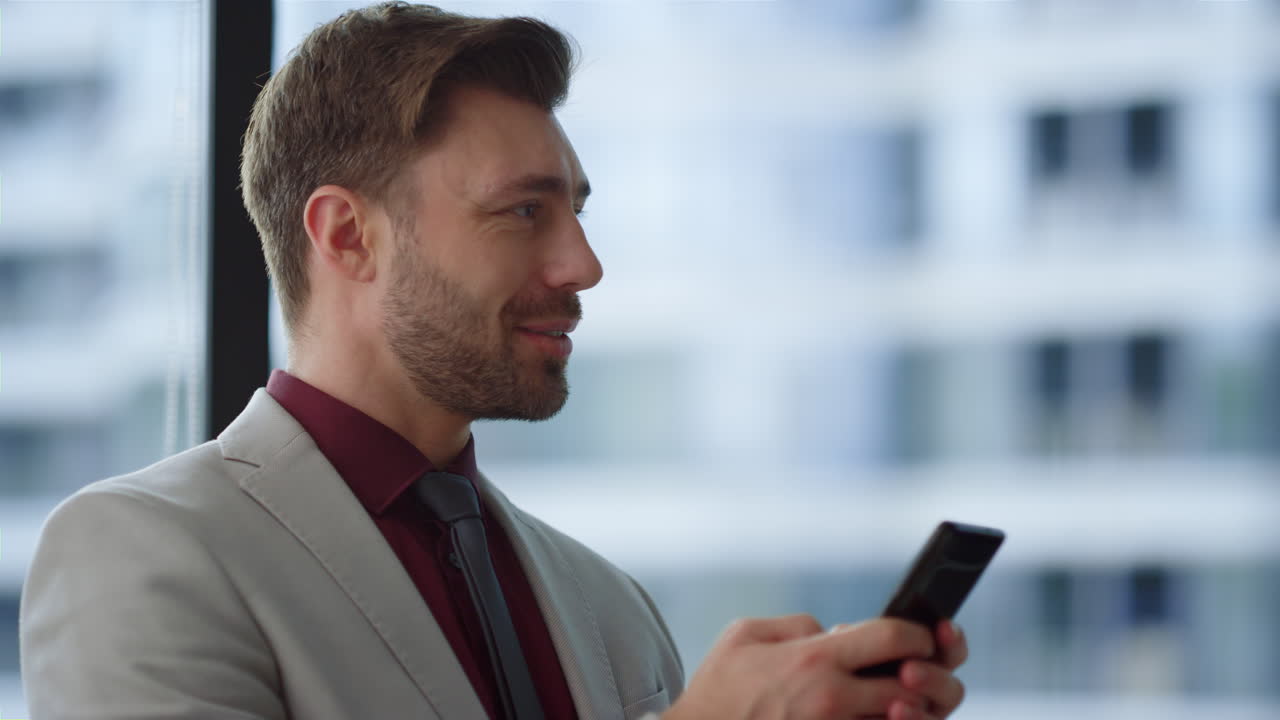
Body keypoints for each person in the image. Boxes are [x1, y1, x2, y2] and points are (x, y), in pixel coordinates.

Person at [18, 3, 969, 719]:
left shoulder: (610, 609)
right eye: (523, 211)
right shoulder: (141, 556)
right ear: (347, 235)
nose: (583, 265)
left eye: (576, 211)